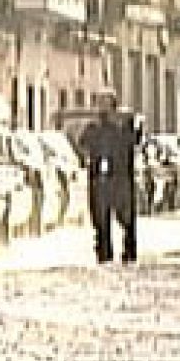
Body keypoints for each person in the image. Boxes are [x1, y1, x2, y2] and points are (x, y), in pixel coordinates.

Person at [78, 91, 140, 264]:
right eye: (100, 103)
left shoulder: (121, 128)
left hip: (120, 178)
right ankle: (104, 252)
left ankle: (129, 251)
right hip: (99, 179)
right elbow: (82, 144)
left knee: (126, 218)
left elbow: (133, 142)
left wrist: (132, 125)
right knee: (100, 219)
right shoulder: (93, 128)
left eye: (106, 103)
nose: (103, 107)